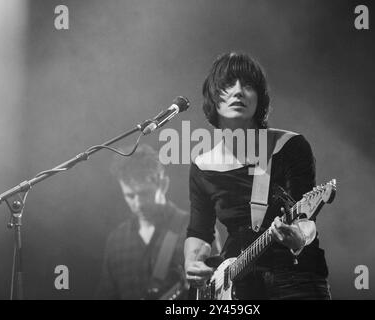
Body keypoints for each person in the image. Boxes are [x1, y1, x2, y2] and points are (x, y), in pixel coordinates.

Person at [184, 52, 331, 300]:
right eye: (229, 84)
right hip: (235, 284)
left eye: (248, 85)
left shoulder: (289, 146)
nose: (239, 91)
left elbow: (305, 217)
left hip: (293, 279)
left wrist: (298, 238)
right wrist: (192, 263)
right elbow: (199, 232)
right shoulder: (202, 166)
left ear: (259, 99)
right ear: (212, 97)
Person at [96, 144, 189, 300]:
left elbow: (217, 284)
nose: (138, 204)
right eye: (130, 196)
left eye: (144, 194)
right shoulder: (116, 241)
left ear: (163, 185)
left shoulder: (194, 228)